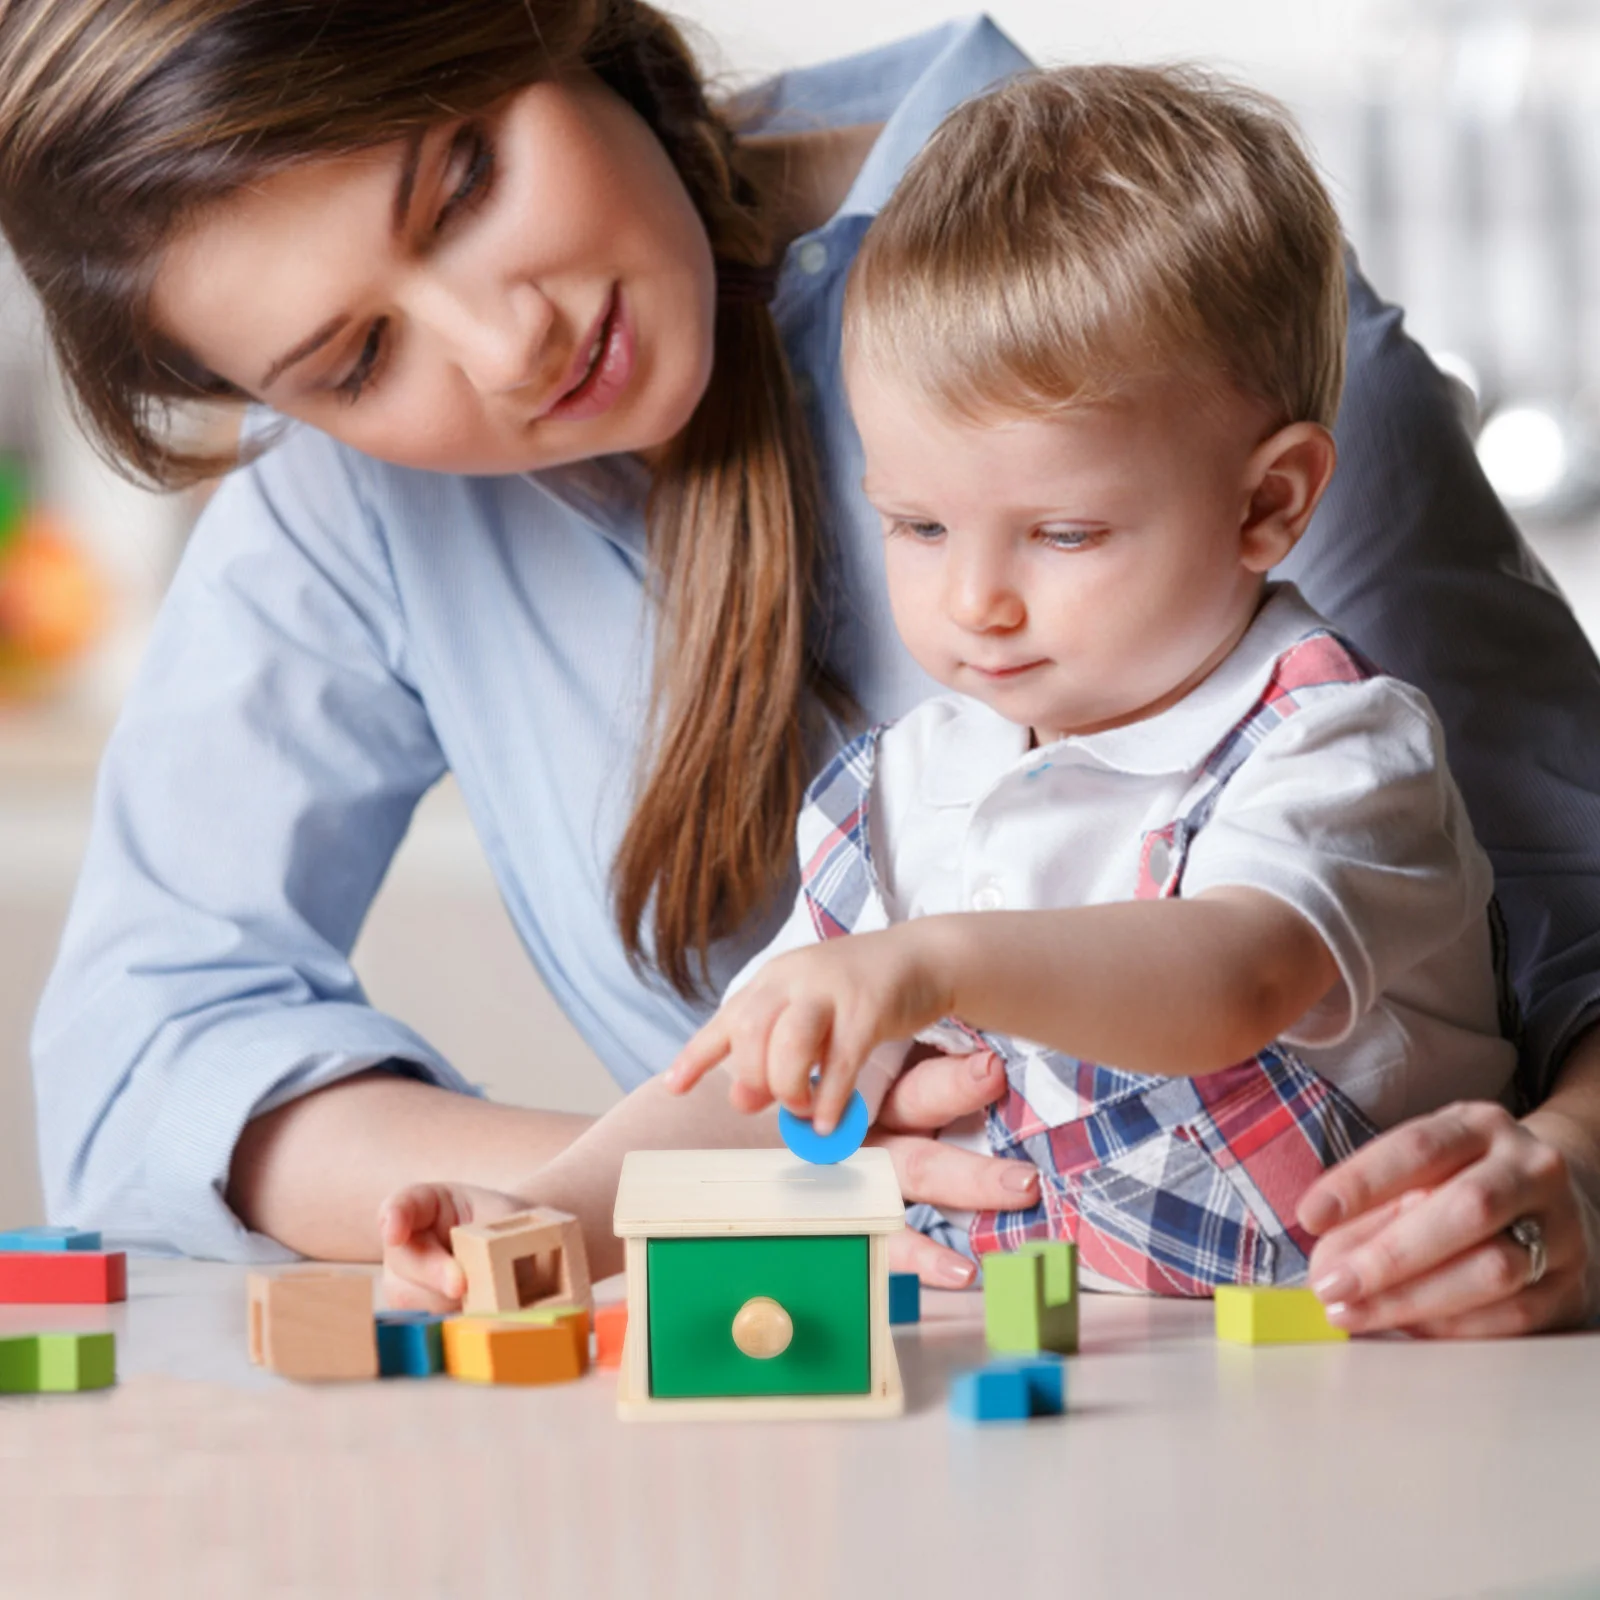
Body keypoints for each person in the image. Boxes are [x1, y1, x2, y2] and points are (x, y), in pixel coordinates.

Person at [1, 2, 1594, 1331]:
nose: (509, 346)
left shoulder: (1155, 326)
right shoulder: (361, 500)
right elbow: (148, 1063)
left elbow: (1507, 938)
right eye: (352, 360)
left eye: (466, 181)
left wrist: (1569, 1182)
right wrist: (697, 1191)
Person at [649, 63, 1514, 1301]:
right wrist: (534, 1216)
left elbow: (1231, 977)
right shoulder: (907, 787)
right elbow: (744, 1081)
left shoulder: (1335, 747)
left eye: (1062, 534)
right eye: (919, 526)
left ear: (1264, 503)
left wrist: (931, 960)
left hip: (1355, 1374)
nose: (972, 603)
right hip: (1048, 1383)